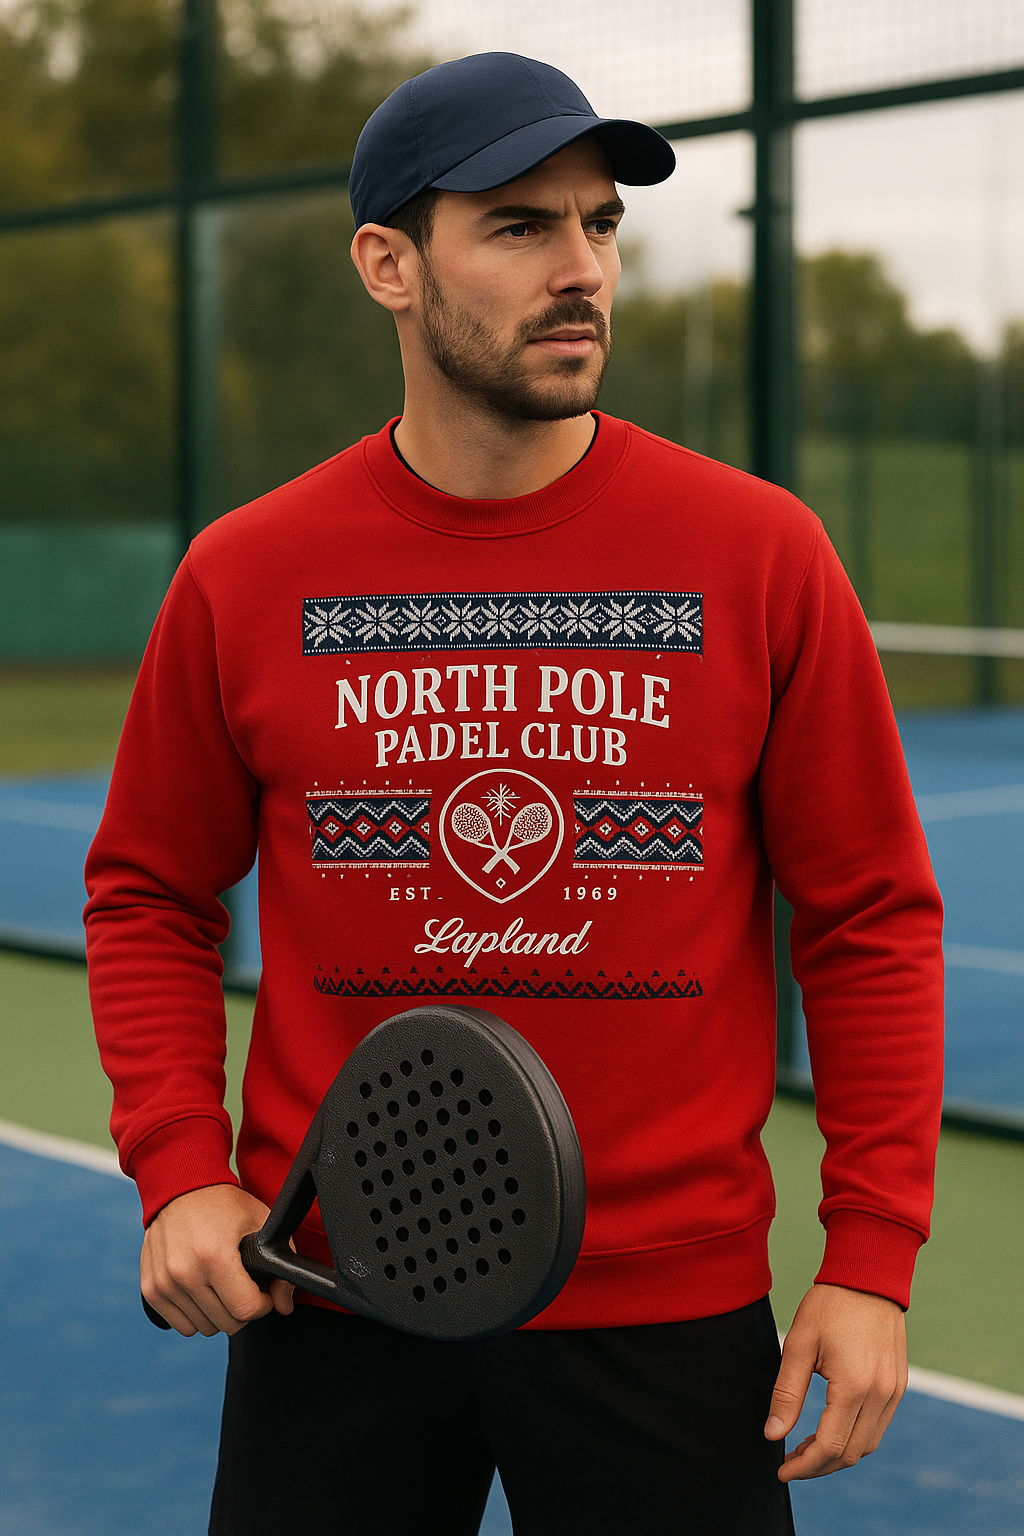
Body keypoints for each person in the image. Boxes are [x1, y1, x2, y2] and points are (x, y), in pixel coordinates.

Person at [85, 51, 944, 1536]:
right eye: (519, 226)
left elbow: (868, 915)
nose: (581, 270)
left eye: (599, 225)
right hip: (337, 1292)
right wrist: (179, 1168)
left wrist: (869, 1256)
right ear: (389, 265)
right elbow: (150, 888)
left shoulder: (760, 553)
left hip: (670, 1319)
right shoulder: (247, 573)